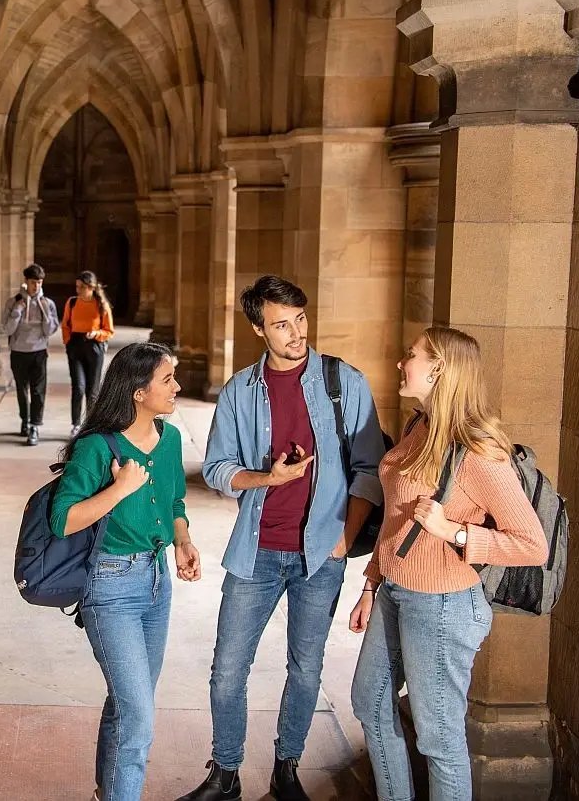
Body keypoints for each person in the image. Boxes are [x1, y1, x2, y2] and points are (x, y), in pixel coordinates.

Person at [181, 275, 385, 801]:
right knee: (227, 670)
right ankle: (225, 774)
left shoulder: (346, 383)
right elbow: (218, 470)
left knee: (306, 669)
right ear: (258, 328)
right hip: (257, 551)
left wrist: (345, 538)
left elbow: (368, 469)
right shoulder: (240, 391)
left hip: (321, 555)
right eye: (280, 324)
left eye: (300, 319)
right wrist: (268, 479)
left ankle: (286, 769)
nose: (296, 333)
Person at [349, 326, 548, 801]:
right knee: (370, 703)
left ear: (440, 369)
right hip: (396, 592)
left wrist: (456, 532)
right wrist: (372, 584)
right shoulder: (421, 425)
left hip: (442, 606)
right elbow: (398, 516)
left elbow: (532, 545)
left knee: (439, 740)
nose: (401, 362)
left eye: (411, 355)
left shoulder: (480, 453)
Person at [50, 342, 202, 801]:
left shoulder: (170, 438)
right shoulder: (98, 447)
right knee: (138, 714)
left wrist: (183, 539)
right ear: (138, 391)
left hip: (158, 583)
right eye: (168, 380)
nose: (177, 387)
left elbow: (174, 500)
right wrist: (120, 488)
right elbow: (63, 520)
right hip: (110, 587)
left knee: (128, 704)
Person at [2, 263, 59, 446]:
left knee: (38, 390)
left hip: (39, 351)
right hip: (19, 351)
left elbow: (50, 330)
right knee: (21, 389)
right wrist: (18, 311)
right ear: (26, 282)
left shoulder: (48, 304)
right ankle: (24, 420)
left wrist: (45, 314)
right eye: (34, 282)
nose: (37, 286)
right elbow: (7, 329)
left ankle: (34, 425)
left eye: (40, 283)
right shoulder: (13, 302)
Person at [61, 270, 116, 438]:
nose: (78, 290)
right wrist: (68, 342)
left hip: (94, 347)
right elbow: (65, 325)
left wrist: (96, 334)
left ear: (91, 287)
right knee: (78, 387)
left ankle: (91, 426)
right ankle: (76, 424)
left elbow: (109, 331)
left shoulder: (101, 306)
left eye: (82, 287)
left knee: (93, 390)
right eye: (77, 287)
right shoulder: (72, 303)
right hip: (76, 346)